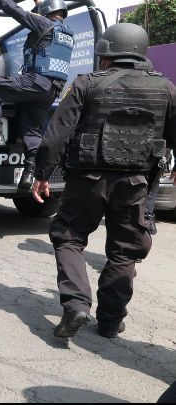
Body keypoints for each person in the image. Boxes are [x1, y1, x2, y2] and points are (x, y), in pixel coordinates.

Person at [32, 23, 176, 339]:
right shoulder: (165, 88)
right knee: (125, 251)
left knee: (69, 237)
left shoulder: (86, 83)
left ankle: (76, 306)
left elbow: (56, 134)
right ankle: (110, 322)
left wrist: (41, 174)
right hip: (135, 183)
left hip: (86, 180)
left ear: (107, 53)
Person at [0, 0, 75, 190]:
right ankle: (29, 174)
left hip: (35, 81)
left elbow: (19, 13)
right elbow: (43, 14)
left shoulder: (43, 24)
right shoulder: (66, 33)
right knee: (32, 129)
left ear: (47, 12)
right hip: (51, 91)